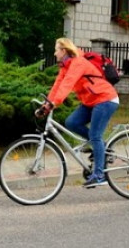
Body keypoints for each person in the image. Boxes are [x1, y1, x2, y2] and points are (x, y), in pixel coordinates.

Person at [36, 38, 120, 188]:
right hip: (91, 101)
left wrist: (55, 103)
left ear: (64, 51)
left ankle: (100, 176)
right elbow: (57, 86)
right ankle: (102, 147)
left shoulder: (78, 63)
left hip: (105, 99)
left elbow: (67, 84)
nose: (55, 53)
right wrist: (47, 105)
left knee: (95, 135)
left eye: (56, 50)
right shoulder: (65, 67)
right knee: (72, 122)